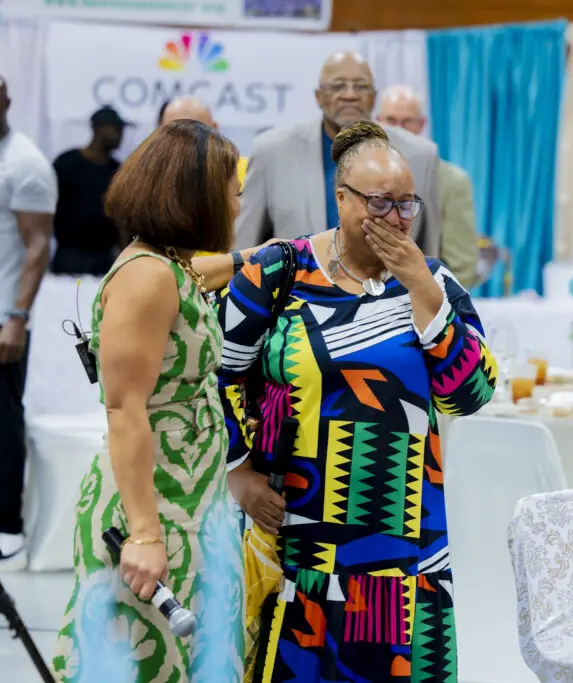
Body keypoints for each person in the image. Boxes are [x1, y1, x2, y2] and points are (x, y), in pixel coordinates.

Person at [218, 120, 495, 681]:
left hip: (402, 539)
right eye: (378, 203)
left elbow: (470, 395)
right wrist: (239, 470)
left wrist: (422, 288)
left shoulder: (434, 283)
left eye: (405, 205)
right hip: (296, 530)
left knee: (389, 666)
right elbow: (215, 374)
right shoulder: (280, 272)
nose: (395, 218)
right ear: (339, 197)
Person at [52, 120, 244, 681]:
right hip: (153, 504)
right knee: (142, 662)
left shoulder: (169, 264)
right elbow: (124, 409)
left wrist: (285, 251)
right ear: (197, 197)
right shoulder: (148, 277)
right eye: (231, 190)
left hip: (187, 498)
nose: (237, 201)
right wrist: (143, 534)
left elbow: (201, 274)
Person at [236, 52, 442, 258]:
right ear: (318, 96)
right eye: (338, 86)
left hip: (393, 289)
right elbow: (245, 247)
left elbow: (429, 256)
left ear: (374, 97)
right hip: (295, 288)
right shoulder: (272, 152)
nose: (350, 95)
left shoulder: (420, 155)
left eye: (361, 86)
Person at [0, 75, 57, 569]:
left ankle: (7, 525)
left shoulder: (25, 163)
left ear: (6, 97)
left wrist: (16, 317)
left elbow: (38, 246)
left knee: (1, 422)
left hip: (2, 318)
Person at [377, 85, 481, 287]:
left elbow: (462, 266)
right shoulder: (359, 177)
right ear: (378, 123)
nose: (398, 129)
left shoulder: (451, 182)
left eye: (407, 121)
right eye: (390, 121)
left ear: (422, 124)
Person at [51, 105, 131, 276]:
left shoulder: (118, 171)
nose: (120, 135)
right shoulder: (67, 163)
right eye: (116, 129)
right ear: (99, 128)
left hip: (104, 259)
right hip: (69, 256)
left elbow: (123, 219)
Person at [158, 95, 249, 190]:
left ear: (214, 129)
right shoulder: (148, 175)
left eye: (195, 131)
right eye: (174, 131)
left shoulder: (244, 172)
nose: (183, 141)